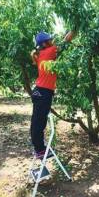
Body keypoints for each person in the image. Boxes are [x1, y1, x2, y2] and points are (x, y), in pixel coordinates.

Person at [30, 31, 74, 159]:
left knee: (37, 120)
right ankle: (39, 150)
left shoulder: (41, 54)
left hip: (39, 91)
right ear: (45, 43)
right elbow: (65, 42)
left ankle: (38, 147)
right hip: (43, 92)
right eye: (50, 39)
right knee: (39, 122)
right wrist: (75, 28)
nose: (52, 41)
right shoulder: (49, 52)